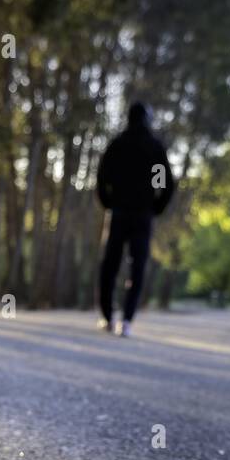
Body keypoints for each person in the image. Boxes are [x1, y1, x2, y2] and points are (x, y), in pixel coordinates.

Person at [96, 101, 175, 336]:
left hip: (119, 213)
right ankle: (127, 321)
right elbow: (164, 183)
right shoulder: (154, 147)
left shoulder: (117, 145)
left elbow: (102, 177)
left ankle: (108, 317)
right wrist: (155, 207)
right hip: (142, 215)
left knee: (110, 264)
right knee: (137, 267)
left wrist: (108, 202)